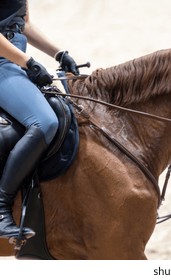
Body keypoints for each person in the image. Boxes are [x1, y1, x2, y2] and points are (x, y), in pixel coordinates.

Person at [0, 0, 79, 239]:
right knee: (44, 122)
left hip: (13, 61)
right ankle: (1, 206)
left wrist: (58, 53)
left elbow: (22, 24)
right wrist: (28, 63)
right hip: (6, 63)